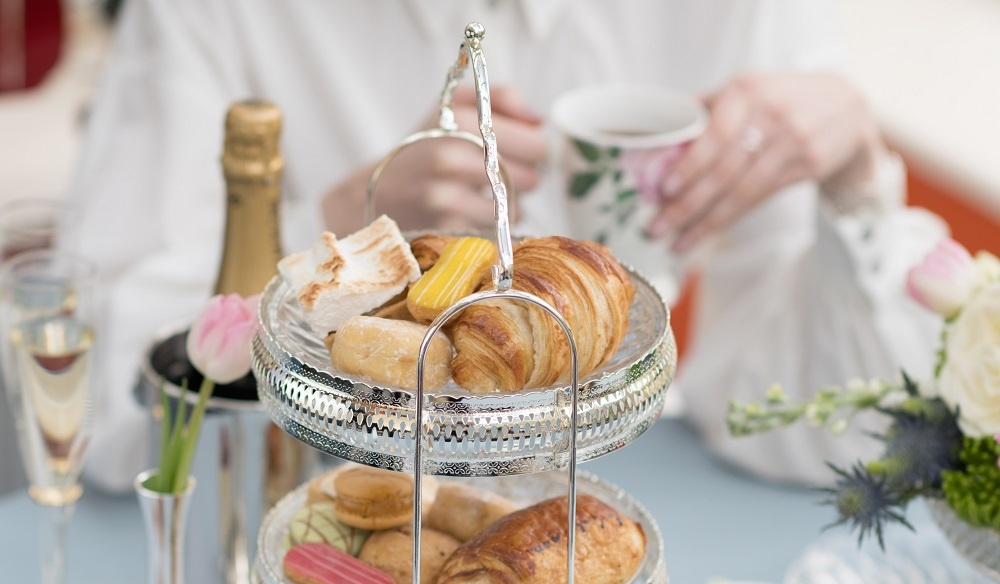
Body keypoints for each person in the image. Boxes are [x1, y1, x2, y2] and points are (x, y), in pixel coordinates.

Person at [64, 0, 945, 492]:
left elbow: (828, 437)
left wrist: (858, 182)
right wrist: (339, 252)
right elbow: (104, 421)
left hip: (627, 525)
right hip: (322, 530)